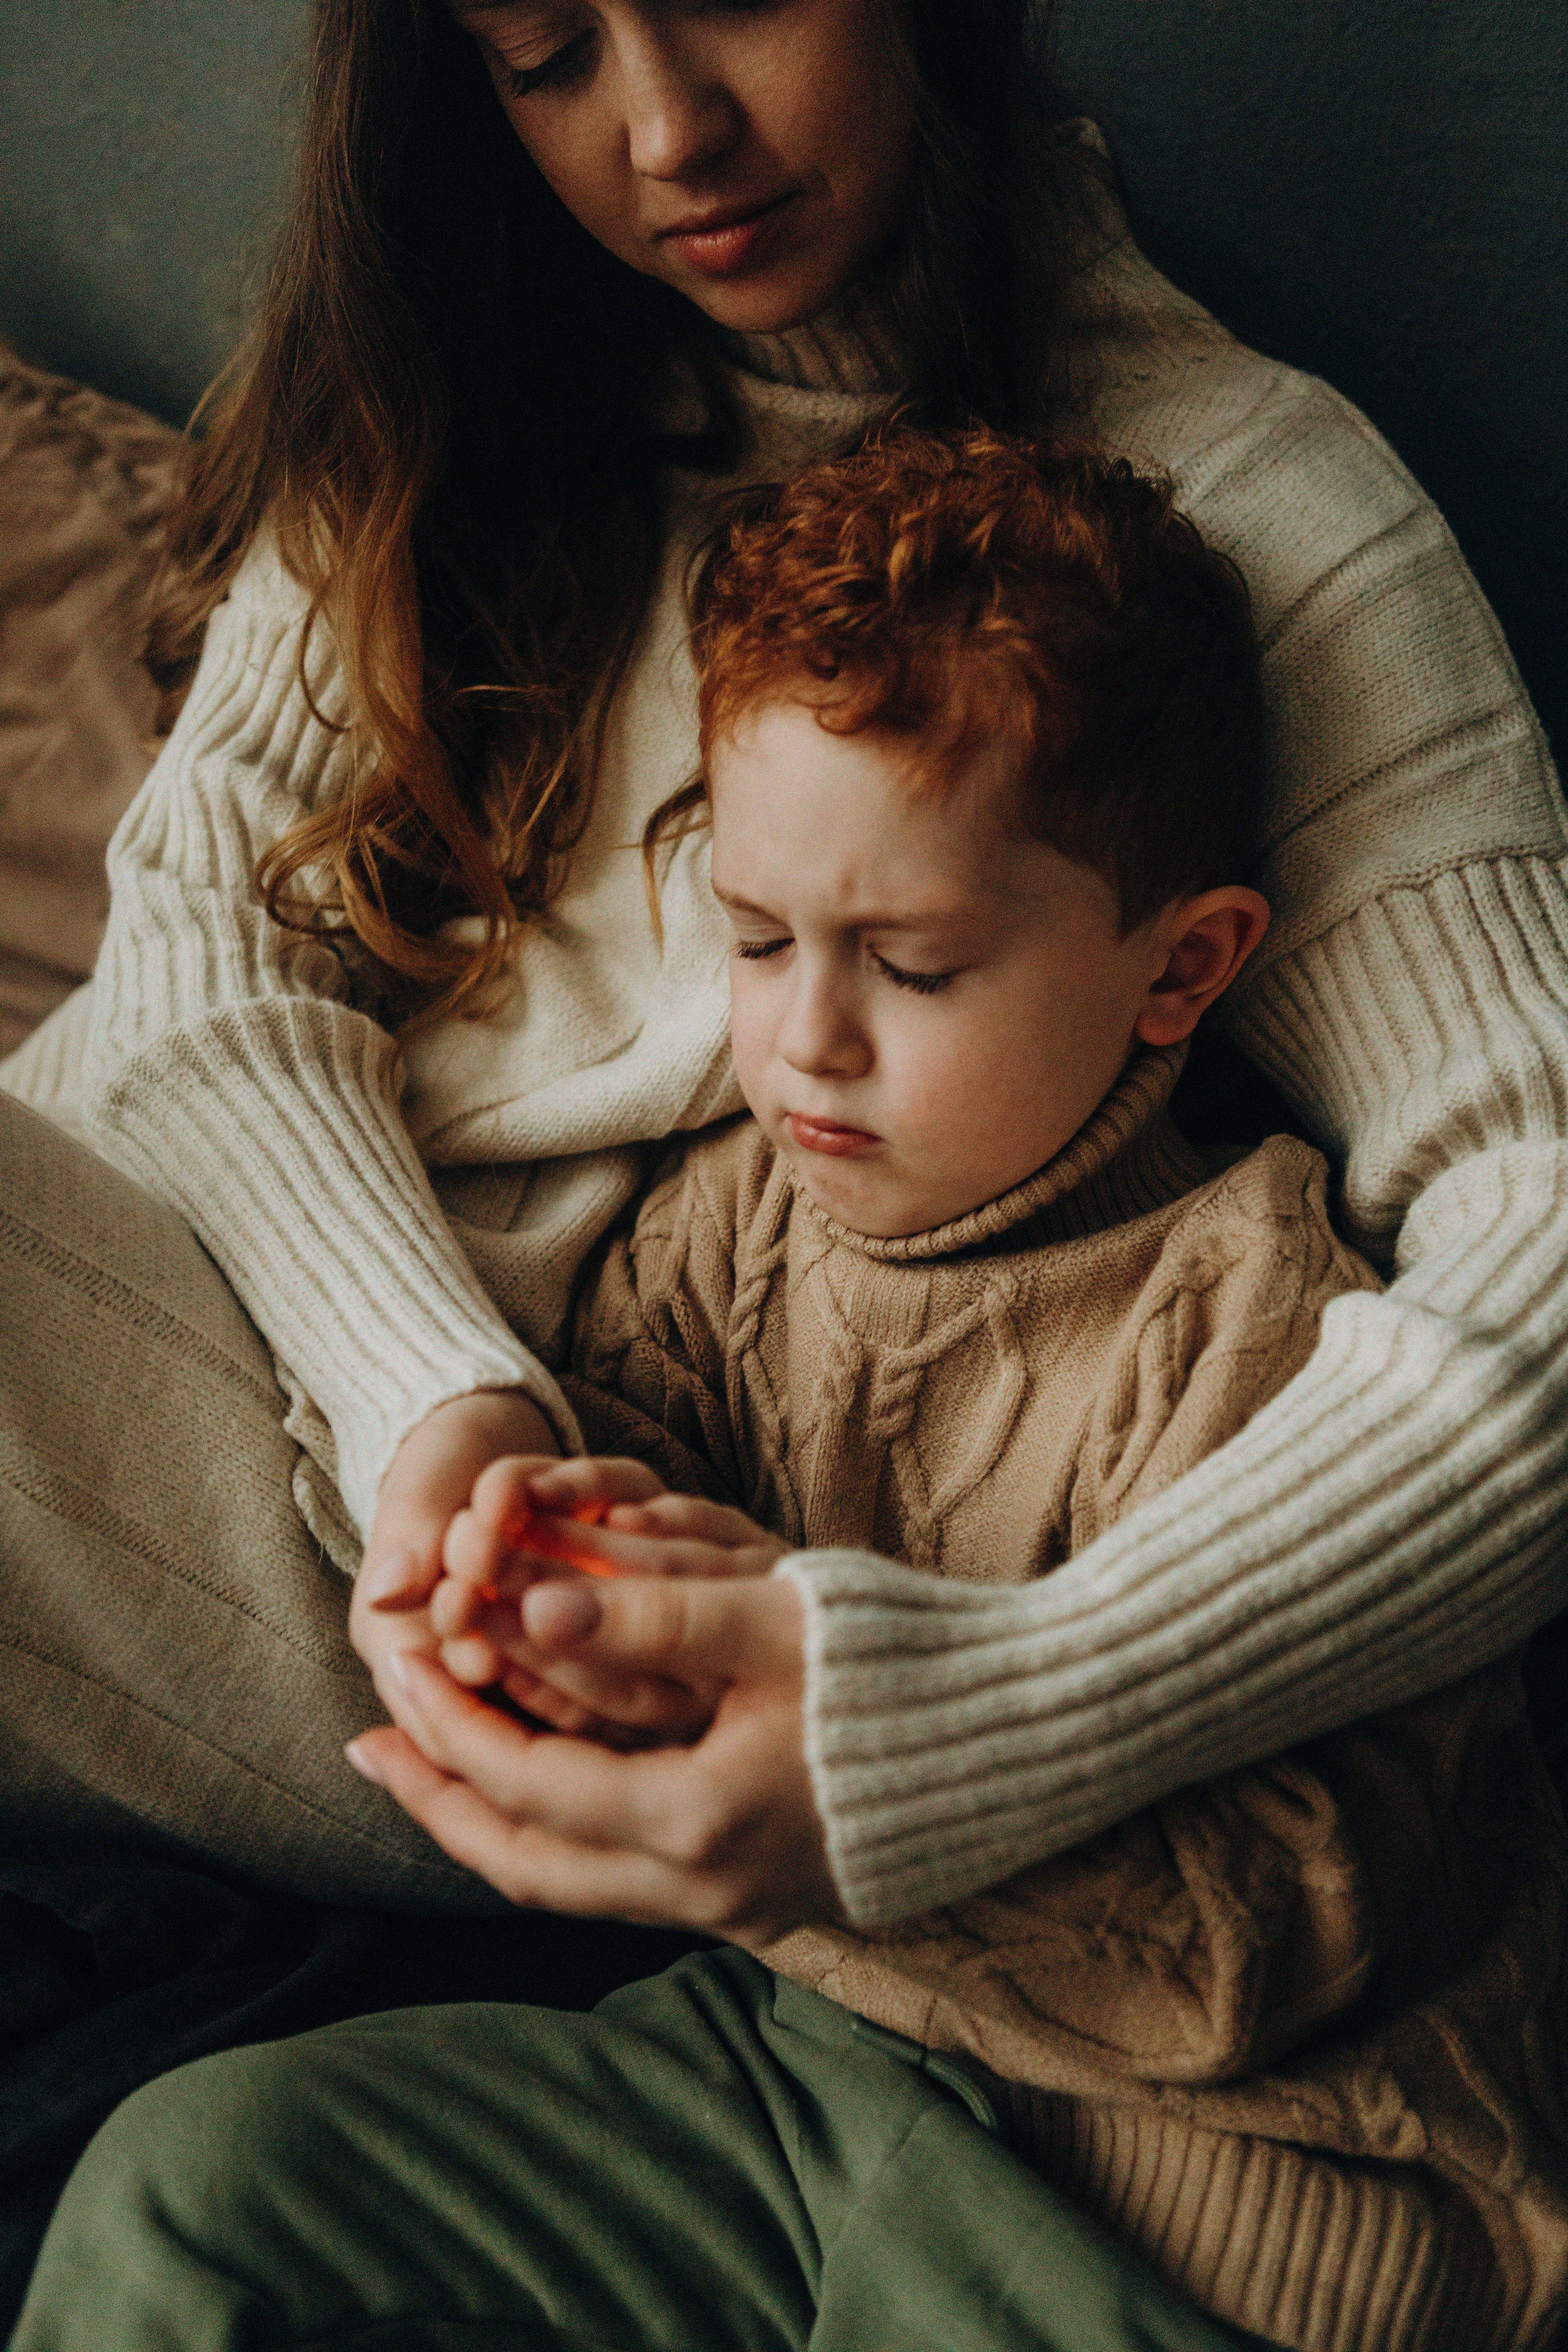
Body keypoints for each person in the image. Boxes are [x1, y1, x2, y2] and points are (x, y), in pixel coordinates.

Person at [1, 0, 1566, 2337]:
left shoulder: (1234, 520)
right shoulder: (446, 405)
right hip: (379, 1409)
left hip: (624, 1594)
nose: (666, 132)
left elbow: (1543, 1209)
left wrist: (973, 1715)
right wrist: (437, 1390)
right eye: (542, 52)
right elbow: (206, 972)